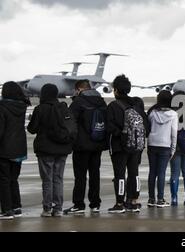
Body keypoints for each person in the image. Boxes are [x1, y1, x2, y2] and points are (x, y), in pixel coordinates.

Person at [28, 84, 74, 217]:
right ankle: (58, 208)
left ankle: (47, 208)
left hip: (45, 150)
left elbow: (32, 129)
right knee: (58, 178)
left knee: (47, 179)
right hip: (62, 148)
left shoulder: (40, 109)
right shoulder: (63, 107)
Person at [64, 80, 108, 215]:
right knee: (95, 174)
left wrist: (71, 141)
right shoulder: (101, 101)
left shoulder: (78, 102)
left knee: (80, 176)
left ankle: (79, 204)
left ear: (79, 89)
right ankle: (95, 204)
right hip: (97, 143)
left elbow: (70, 122)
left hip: (82, 146)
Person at [106, 75, 149, 213]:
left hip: (119, 146)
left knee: (119, 174)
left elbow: (109, 126)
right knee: (134, 173)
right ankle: (134, 201)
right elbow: (146, 126)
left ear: (116, 90)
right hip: (136, 145)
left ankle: (119, 203)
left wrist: (120, 134)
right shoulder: (137, 106)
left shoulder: (113, 106)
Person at [0, 82, 30, 220]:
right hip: (19, 147)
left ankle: (7, 210)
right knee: (13, 179)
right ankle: (16, 207)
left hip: (4, 148)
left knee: (4, 180)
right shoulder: (21, 106)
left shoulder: (2, 107)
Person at [147, 90, 178, 208]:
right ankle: (160, 199)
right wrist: (173, 148)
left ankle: (151, 199)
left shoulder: (152, 113)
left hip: (152, 144)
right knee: (161, 173)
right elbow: (174, 133)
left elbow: (149, 128)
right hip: (165, 145)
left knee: (152, 172)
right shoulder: (173, 114)